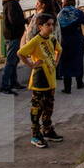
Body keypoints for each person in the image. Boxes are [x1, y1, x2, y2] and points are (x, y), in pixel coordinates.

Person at [18, 14, 63, 148]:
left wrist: (55, 62)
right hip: (39, 79)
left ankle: (47, 130)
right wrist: (31, 65)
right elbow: (20, 53)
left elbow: (59, 51)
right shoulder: (35, 41)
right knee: (37, 107)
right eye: (48, 25)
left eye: (52, 24)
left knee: (49, 106)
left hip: (50, 79)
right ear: (40, 26)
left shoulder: (53, 39)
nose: (51, 27)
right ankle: (35, 134)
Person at [56, 0, 84, 93]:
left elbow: (57, 27)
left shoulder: (60, 14)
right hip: (77, 40)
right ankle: (79, 83)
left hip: (65, 41)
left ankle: (67, 88)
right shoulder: (78, 12)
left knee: (66, 63)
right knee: (78, 61)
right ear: (74, 2)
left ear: (64, 2)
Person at [1, 0, 28, 95]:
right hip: (13, 36)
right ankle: (4, 87)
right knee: (10, 61)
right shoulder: (12, 4)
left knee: (15, 60)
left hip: (15, 36)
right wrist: (26, 21)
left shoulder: (13, 3)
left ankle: (13, 83)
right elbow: (14, 21)